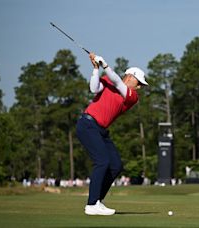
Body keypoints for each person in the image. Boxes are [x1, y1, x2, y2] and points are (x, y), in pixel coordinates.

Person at [76, 53, 148, 215]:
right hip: (87, 124)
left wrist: (105, 65)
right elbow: (94, 88)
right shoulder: (108, 81)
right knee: (102, 161)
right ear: (130, 77)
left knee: (115, 165)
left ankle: (97, 201)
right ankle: (91, 205)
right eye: (139, 83)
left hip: (100, 130)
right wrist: (96, 69)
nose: (139, 87)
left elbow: (116, 81)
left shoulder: (131, 97)